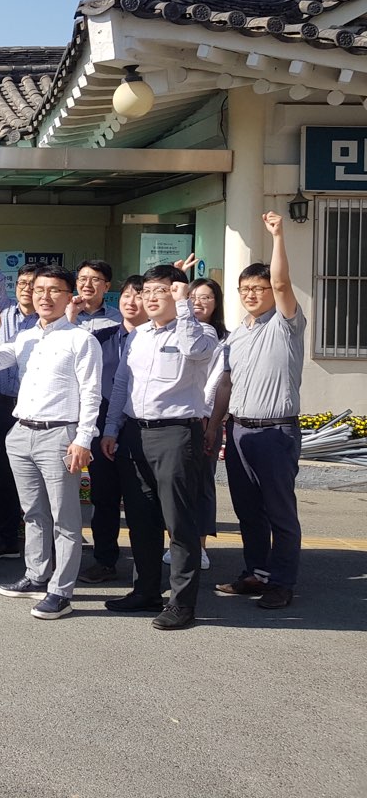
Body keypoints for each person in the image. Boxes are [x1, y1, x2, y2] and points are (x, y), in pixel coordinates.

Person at [0, 265, 102, 620]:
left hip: (59, 434)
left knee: (64, 517)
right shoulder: (26, 337)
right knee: (32, 512)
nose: (44, 297)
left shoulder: (81, 339)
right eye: (39, 290)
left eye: (53, 291)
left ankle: (61, 591)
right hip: (21, 432)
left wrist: (83, 439)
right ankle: (36, 574)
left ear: (68, 297)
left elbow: (92, 394)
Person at [101, 264, 217, 630]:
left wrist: (184, 307)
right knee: (140, 519)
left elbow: (194, 350)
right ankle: (146, 590)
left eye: (159, 291)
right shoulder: (138, 337)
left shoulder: (202, 332)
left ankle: (182, 603)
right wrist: (111, 428)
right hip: (135, 432)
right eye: (144, 291)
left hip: (175, 434)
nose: (148, 298)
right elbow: (122, 384)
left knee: (178, 522)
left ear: (178, 294)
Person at [209, 212, 305, 610]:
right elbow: (225, 385)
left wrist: (278, 235)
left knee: (280, 512)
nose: (251, 294)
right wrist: (214, 427)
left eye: (259, 288)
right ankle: (256, 573)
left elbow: (283, 282)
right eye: (244, 288)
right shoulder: (236, 335)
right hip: (240, 431)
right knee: (248, 510)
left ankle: (281, 582)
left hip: (275, 432)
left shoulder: (286, 325)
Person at [78, 275, 149, 584]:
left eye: (139, 296)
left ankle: (145, 566)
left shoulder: (154, 340)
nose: (132, 302)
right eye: (127, 297)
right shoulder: (102, 338)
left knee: (141, 500)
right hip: (103, 421)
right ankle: (104, 560)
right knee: (103, 498)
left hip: (139, 425)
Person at [163, 274, 228, 571]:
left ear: (217, 303)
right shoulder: (172, 332)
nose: (199, 302)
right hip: (180, 420)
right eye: (194, 296)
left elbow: (219, 386)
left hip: (205, 420)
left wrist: (212, 424)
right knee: (174, 486)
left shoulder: (223, 339)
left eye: (206, 297)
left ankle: (199, 546)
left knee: (201, 485)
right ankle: (174, 543)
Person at [0, 264, 39, 561]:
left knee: (38, 477)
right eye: (21, 283)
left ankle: (40, 543)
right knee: (6, 474)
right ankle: (7, 538)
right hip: (4, 402)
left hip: (35, 407)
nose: (26, 288)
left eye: (32, 284)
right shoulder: (5, 311)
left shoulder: (48, 321)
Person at [70, 259, 122, 331]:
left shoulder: (119, 318)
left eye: (95, 279)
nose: (87, 284)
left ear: (106, 286)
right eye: (83, 279)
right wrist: (70, 316)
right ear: (76, 283)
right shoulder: (63, 314)